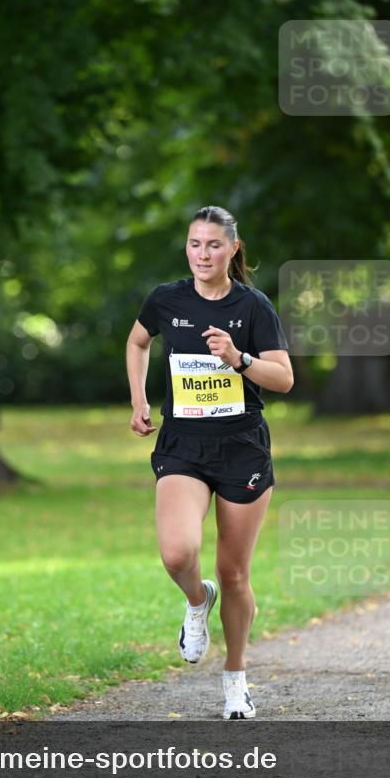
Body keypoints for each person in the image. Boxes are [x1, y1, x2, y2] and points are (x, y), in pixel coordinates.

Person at [126, 205, 293, 719]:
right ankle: (198, 601)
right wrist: (138, 399)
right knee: (178, 554)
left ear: (232, 250)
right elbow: (137, 341)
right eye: (195, 244)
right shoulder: (166, 299)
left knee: (235, 572)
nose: (203, 253)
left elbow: (284, 379)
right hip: (183, 446)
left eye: (214, 245)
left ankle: (235, 679)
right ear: (187, 247)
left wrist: (238, 359)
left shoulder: (253, 307)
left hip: (242, 446)